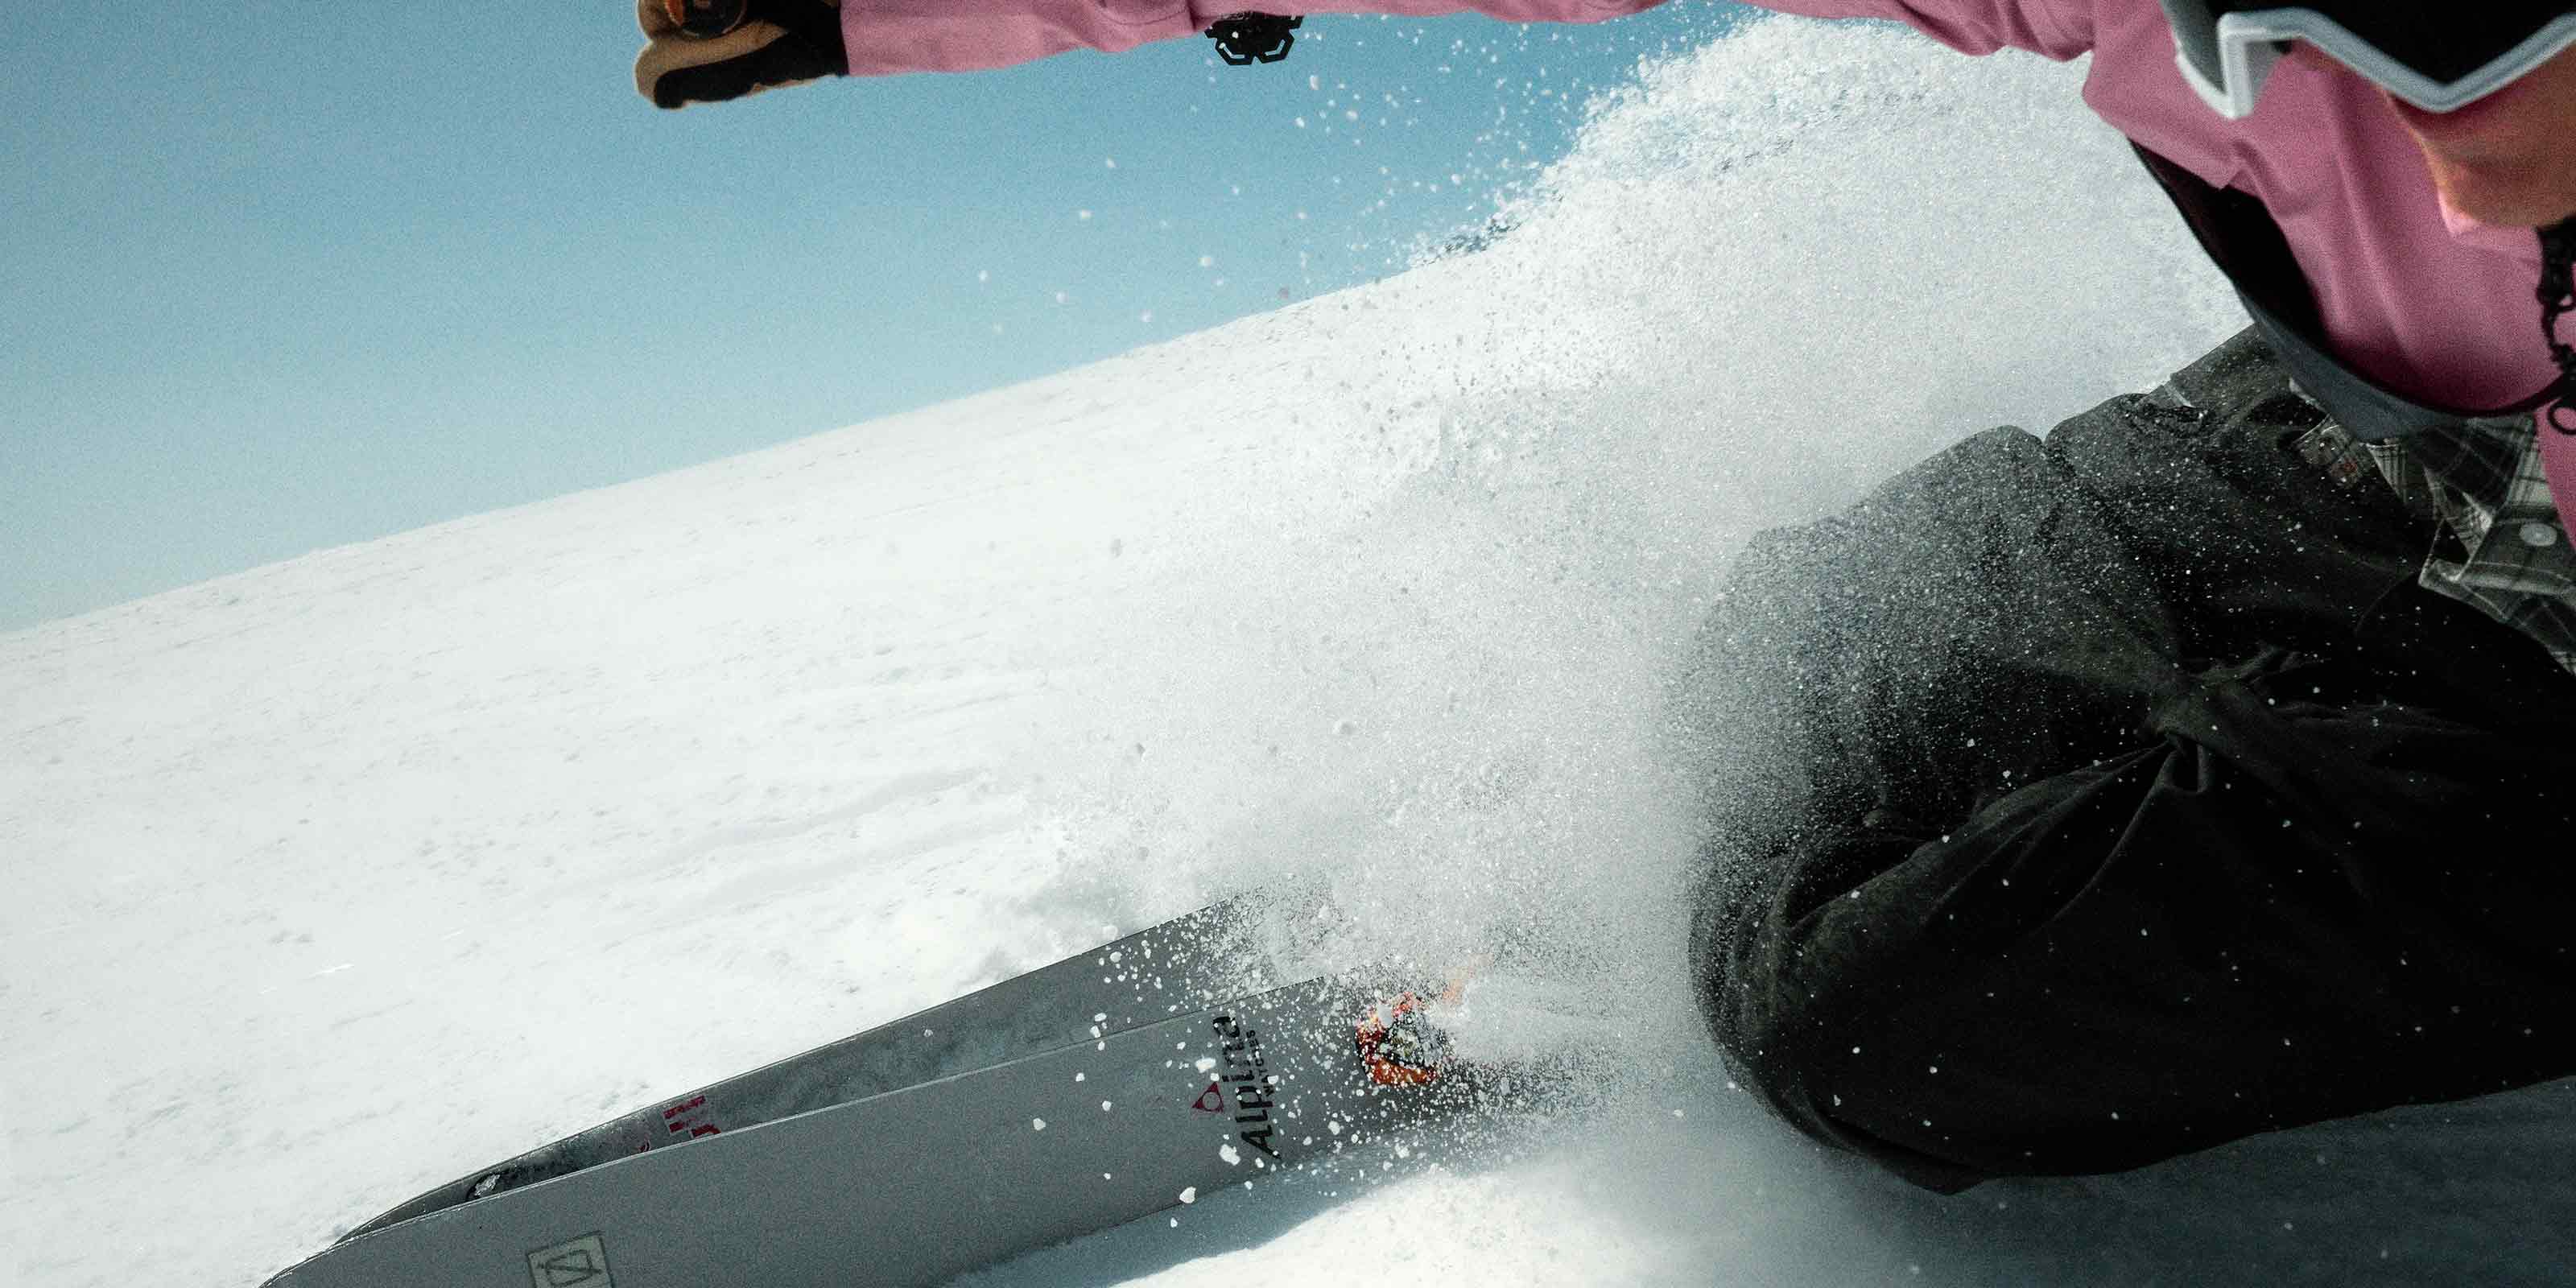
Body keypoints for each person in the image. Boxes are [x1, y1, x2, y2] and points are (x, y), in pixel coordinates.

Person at [634, 1, 2576, 1191]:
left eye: (2491, 27)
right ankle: (1702, 884)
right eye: (2291, 26)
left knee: (1848, 1015)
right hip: (2376, 456)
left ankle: (1718, 972)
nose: (2430, 142)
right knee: (1788, 630)